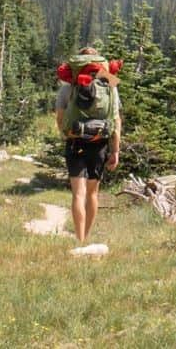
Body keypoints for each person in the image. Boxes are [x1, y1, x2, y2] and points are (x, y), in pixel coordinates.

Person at [55, 46, 121, 246]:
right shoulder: (110, 85)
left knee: (78, 193)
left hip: (76, 142)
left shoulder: (67, 87)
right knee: (92, 193)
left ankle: (79, 238)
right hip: (99, 143)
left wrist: (67, 133)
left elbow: (59, 118)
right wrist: (115, 150)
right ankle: (87, 238)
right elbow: (116, 120)